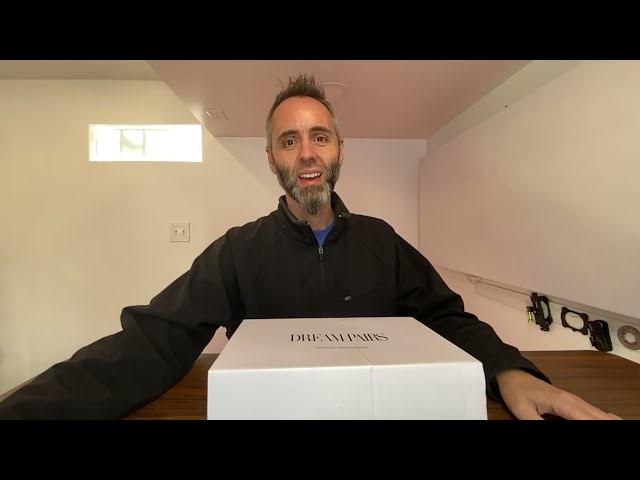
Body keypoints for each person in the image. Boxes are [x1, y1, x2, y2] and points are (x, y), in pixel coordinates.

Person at [0, 73, 620, 420]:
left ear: (339, 150)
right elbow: (152, 341)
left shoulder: (382, 241)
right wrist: (27, 408)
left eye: (319, 136)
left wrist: (511, 372)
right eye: (289, 141)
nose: (306, 153)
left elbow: (447, 319)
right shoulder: (237, 251)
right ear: (271, 158)